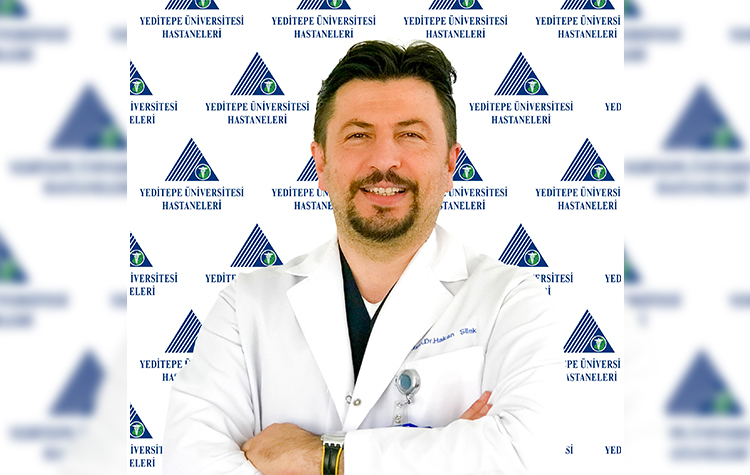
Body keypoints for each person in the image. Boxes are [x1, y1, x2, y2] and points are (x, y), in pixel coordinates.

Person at [164, 40, 559, 475]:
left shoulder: (509, 302)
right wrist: (445, 451)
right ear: (320, 164)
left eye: (411, 135)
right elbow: (189, 461)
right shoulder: (247, 306)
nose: (384, 159)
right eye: (358, 135)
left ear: (450, 166)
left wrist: (318, 456)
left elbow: (524, 455)